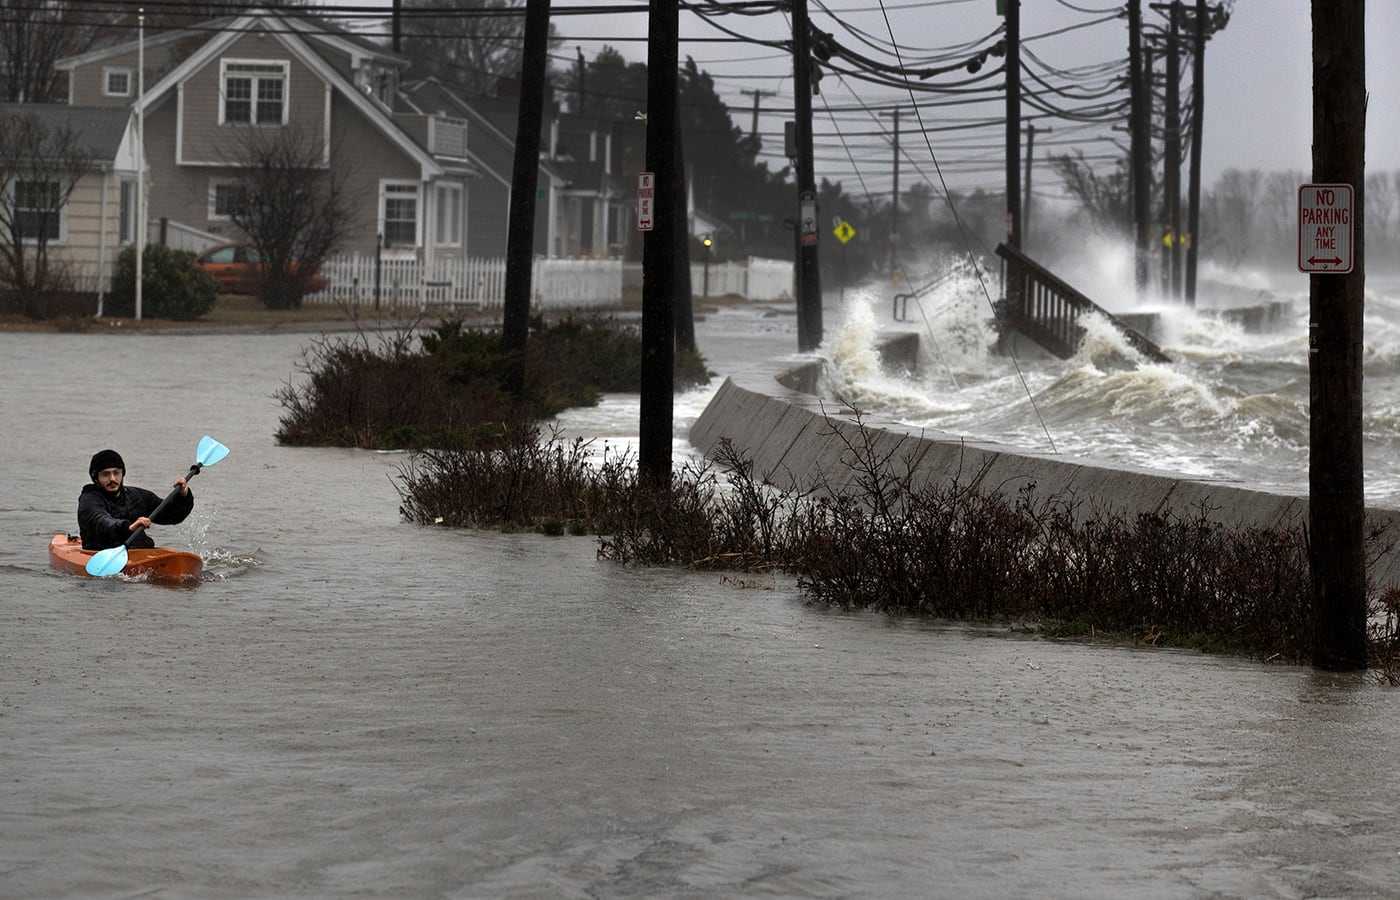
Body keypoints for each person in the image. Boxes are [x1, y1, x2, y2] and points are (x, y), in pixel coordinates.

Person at [78, 449, 194, 551]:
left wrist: (183, 495)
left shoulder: (136, 496)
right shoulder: (89, 500)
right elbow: (101, 521)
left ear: (123, 474)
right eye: (105, 474)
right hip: (102, 551)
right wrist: (128, 527)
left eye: (116, 473)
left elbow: (172, 515)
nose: (112, 479)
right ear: (96, 478)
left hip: (140, 552)